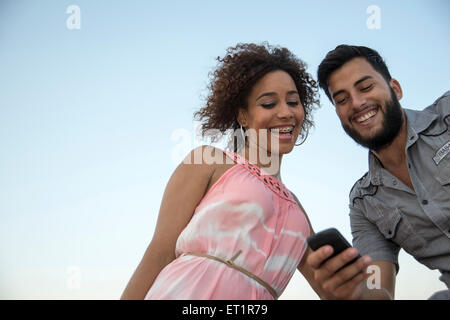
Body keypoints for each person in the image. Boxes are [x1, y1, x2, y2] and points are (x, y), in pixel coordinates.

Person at [120, 42, 326, 299]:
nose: (286, 112)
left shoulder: (297, 211)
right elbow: (159, 253)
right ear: (243, 117)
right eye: (269, 104)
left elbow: (334, 289)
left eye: (293, 101)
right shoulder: (210, 162)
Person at [307, 44, 450, 300]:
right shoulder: (365, 203)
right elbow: (378, 291)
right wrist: (356, 292)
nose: (357, 103)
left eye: (366, 87)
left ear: (395, 88)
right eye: (342, 99)